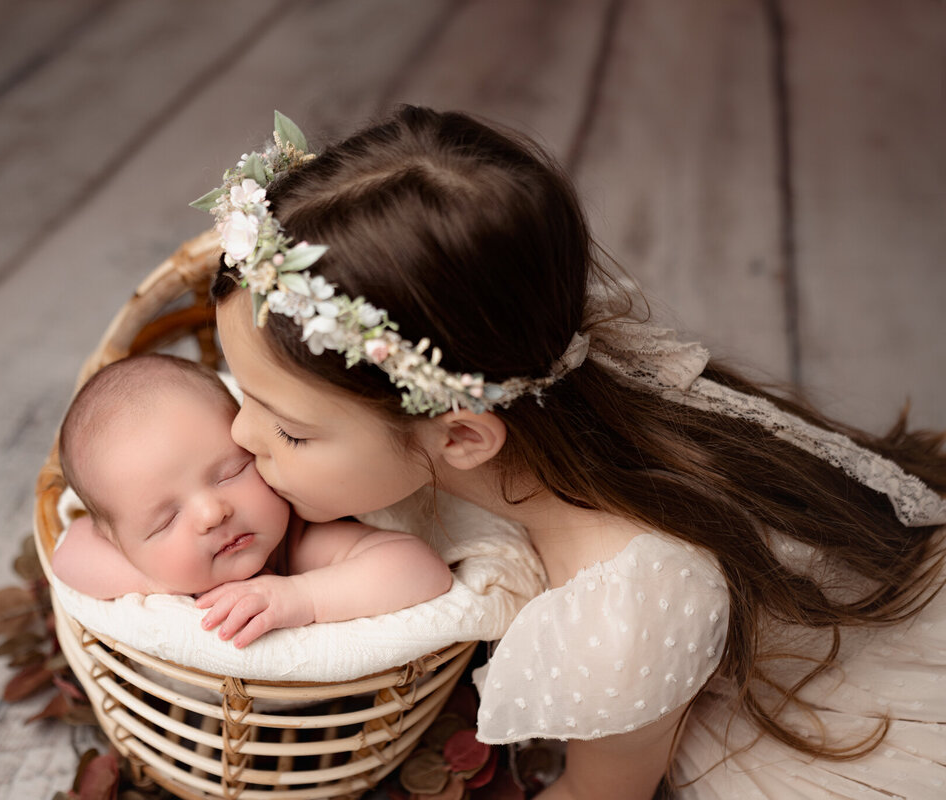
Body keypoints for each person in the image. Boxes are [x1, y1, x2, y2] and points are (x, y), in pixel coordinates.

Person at [196, 108, 946, 798]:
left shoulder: (625, 617)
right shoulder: (521, 369)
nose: (238, 434)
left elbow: (599, 794)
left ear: (460, 437)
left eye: (289, 431)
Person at [51, 352, 453, 648]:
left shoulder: (299, 540)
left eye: (231, 473)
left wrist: (303, 596)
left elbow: (422, 570)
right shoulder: (145, 563)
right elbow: (68, 554)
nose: (212, 513)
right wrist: (156, 578)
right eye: (165, 521)